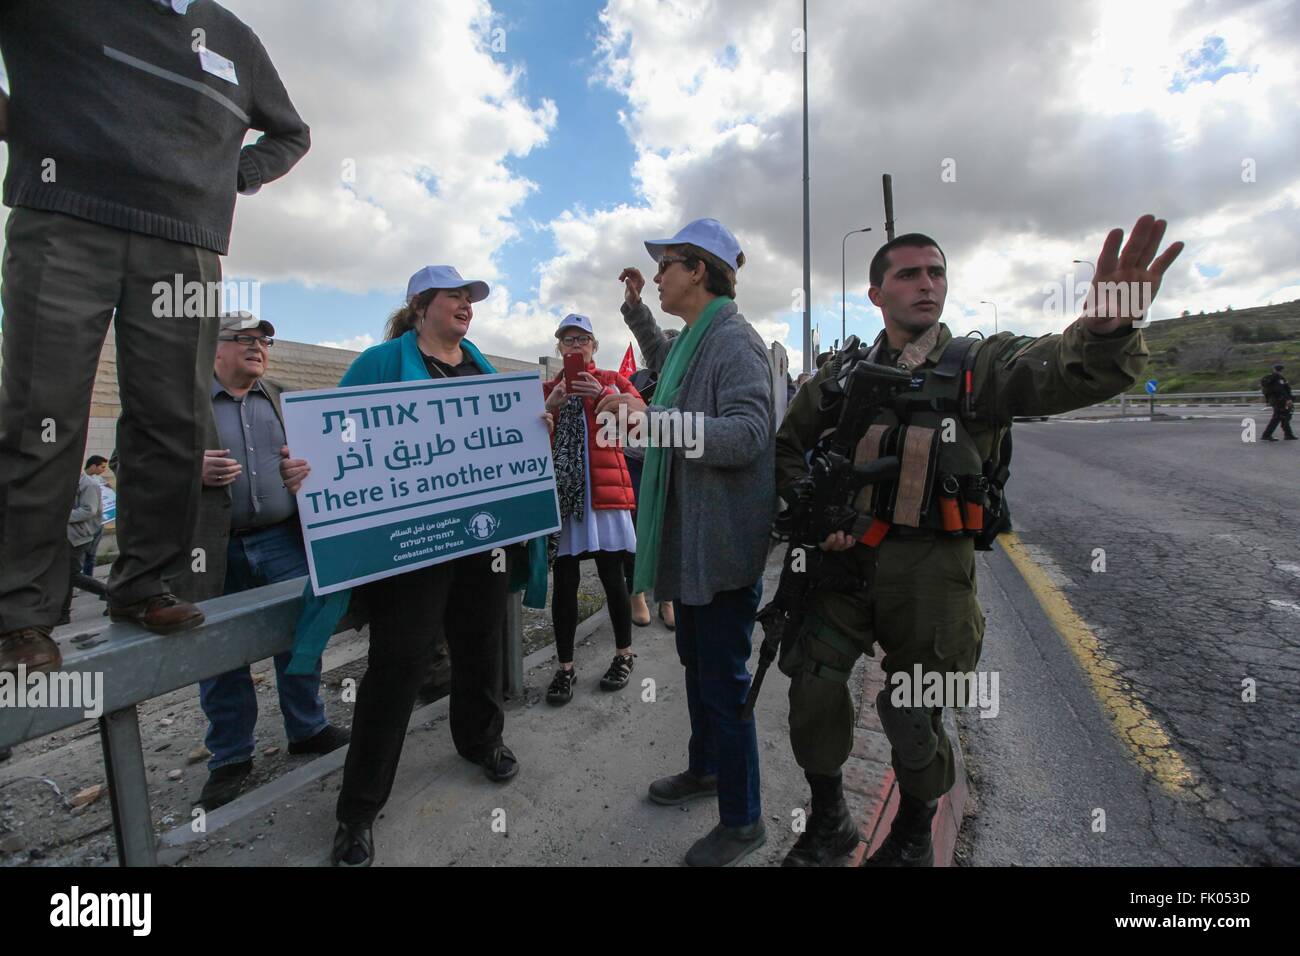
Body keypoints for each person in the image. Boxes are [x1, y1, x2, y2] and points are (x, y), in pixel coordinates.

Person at [774, 217, 1184, 866]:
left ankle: (912, 835)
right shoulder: (839, 378)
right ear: (876, 293)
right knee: (813, 687)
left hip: (933, 572)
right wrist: (811, 512)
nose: (927, 284)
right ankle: (829, 820)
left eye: (936, 272)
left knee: (916, 710)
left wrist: (1104, 331)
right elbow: (788, 449)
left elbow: (1058, 371)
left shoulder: (979, 365)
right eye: (909, 274)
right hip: (842, 565)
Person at [0, 0, 310, 675]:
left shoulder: (233, 36)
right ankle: (21, 615)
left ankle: (144, 583)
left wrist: (237, 174)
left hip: (186, 240)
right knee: (41, 412)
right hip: (65, 215)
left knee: (174, 419)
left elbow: (292, 132)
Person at [279, 266, 549, 867]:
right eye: (455, 296)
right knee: (398, 664)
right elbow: (327, 439)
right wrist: (301, 466)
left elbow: (506, 441)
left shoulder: (483, 372)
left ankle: (481, 740)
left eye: (471, 298)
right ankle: (358, 809)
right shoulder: (379, 364)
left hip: (480, 540)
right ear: (421, 305)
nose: (467, 305)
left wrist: (535, 432)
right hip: (413, 547)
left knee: (480, 646)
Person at [609, 218, 776, 866]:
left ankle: (744, 820)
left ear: (699, 270)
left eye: (666, 266)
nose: (657, 276)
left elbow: (747, 435)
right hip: (694, 546)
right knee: (698, 669)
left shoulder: (734, 342)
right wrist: (635, 311)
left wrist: (653, 420)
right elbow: (666, 362)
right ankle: (705, 769)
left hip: (722, 549)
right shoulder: (697, 341)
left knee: (725, 684)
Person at [167, 313, 349, 812]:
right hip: (211, 551)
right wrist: (188, 469)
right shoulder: (181, 403)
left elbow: (331, 458)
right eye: (243, 339)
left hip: (282, 541)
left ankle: (308, 729)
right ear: (214, 348)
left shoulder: (286, 400)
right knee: (219, 650)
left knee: (298, 635)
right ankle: (230, 756)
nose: (258, 346)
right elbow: (131, 464)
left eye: (264, 340)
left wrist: (306, 471)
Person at [541, 314, 642, 704]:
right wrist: (549, 408)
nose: (575, 346)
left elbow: (639, 426)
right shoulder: (548, 388)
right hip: (565, 498)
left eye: (582, 339)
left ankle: (624, 654)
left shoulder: (614, 381)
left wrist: (601, 395)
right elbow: (525, 441)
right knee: (564, 582)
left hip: (605, 494)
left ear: (594, 346)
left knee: (612, 576)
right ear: (559, 348)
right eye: (568, 340)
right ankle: (565, 667)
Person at [61, 467, 109, 626]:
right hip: (67, 535)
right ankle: (62, 613)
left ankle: (110, 593)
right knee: (66, 575)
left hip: (79, 536)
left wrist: (60, 516)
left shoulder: (87, 484)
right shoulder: (69, 482)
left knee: (71, 574)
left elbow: (89, 510)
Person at [81, 457, 110, 577]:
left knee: (91, 554)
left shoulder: (99, 479)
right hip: (85, 523)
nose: (104, 470)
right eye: (102, 467)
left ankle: (88, 577)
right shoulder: (82, 480)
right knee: (82, 553)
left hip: (99, 522)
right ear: (93, 466)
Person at [1260, 363, 1295, 441]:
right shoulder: (1277, 378)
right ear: (1281, 370)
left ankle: (1288, 434)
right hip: (1280, 400)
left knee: (1284, 417)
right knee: (1277, 418)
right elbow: (1280, 390)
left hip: (1276, 400)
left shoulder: (1273, 378)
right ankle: (1266, 435)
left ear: (1274, 369)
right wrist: (1287, 399)